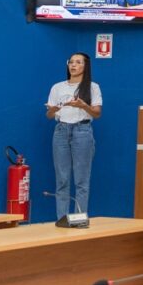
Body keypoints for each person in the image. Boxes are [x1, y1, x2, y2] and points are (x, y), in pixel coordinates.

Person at [45, 53, 102, 220]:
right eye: (71, 62)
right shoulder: (57, 87)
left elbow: (97, 113)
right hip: (61, 131)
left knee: (81, 181)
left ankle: (79, 220)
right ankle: (62, 219)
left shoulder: (92, 87)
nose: (73, 65)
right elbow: (49, 115)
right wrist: (53, 110)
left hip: (82, 131)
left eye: (78, 62)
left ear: (86, 66)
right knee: (62, 179)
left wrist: (83, 105)